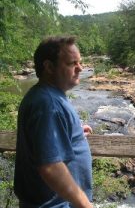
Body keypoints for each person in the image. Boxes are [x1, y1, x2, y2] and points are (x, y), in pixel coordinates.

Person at [14, 36, 93, 208]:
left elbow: (44, 141)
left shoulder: (43, 96)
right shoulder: (48, 104)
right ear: (49, 67)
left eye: (80, 62)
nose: (81, 68)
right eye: (72, 63)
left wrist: (74, 134)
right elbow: (51, 166)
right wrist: (86, 205)